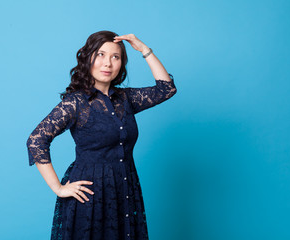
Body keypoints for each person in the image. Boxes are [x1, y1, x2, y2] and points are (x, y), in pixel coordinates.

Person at [26, 30, 177, 240]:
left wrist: (144, 50)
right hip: (90, 197)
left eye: (115, 57)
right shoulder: (76, 103)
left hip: (125, 190)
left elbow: (166, 89)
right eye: (101, 55)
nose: (108, 63)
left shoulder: (125, 98)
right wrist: (58, 188)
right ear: (88, 59)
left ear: (121, 64)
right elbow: (36, 140)